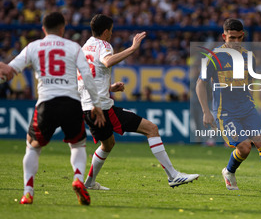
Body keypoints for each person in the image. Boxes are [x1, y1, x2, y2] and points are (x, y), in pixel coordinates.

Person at [78, 14, 199, 190]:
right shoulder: (104, 45)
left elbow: (86, 77)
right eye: (111, 31)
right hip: (102, 108)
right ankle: (173, 175)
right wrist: (133, 48)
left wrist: (110, 87)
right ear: (105, 31)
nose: (111, 34)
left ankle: (89, 182)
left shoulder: (84, 48)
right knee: (151, 129)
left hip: (87, 108)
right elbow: (107, 61)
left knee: (108, 144)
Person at [1, 12, 106, 205]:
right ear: (62, 28)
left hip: (46, 103)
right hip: (72, 103)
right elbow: (87, 77)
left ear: (43, 29)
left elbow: (9, 71)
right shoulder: (73, 47)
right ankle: (77, 178)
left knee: (32, 146)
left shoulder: (33, 47)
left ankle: (28, 192)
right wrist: (97, 106)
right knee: (77, 145)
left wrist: (4, 71)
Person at [196, 18, 261, 193]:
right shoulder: (212, 57)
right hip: (225, 111)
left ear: (243, 36)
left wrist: (256, 102)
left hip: (247, 108)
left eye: (239, 38)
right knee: (244, 148)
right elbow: (200, 84)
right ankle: (228, 172)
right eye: (231, 38)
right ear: (224, 37)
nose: (235, 42)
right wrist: (206, 111)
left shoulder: (249, 57)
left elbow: (249, 83)